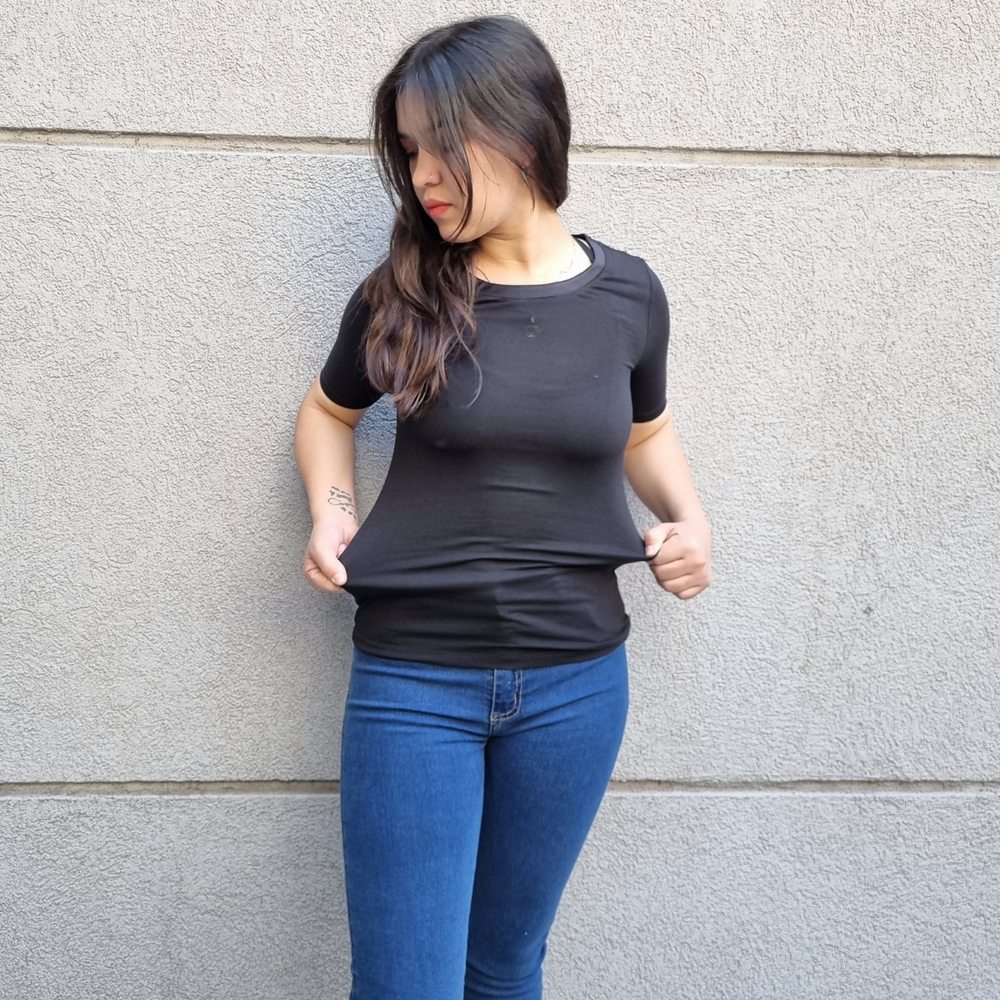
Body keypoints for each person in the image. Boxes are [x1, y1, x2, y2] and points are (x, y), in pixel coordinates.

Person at [293, 14, 711, 999]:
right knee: (407, 986)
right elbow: (327, 412)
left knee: (505, 968)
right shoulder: (402, 292)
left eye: (439, 146)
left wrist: (690, 523)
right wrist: (333, 507)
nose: (421, 176)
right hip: (414, 684)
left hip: (577, 685)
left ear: (522, 133)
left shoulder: (630, 296)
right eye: (408, 152)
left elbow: (644, 433)